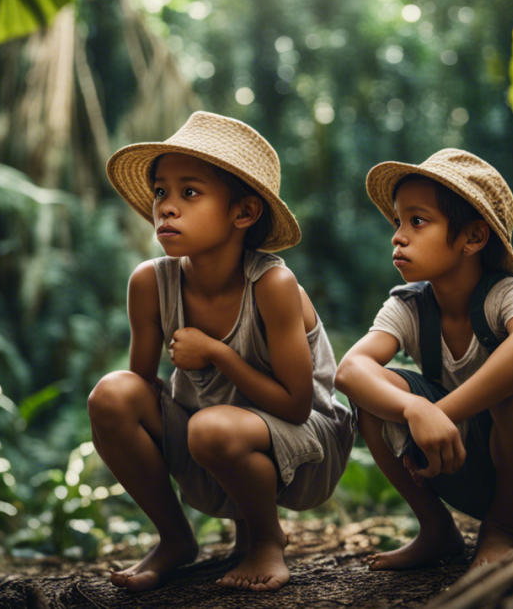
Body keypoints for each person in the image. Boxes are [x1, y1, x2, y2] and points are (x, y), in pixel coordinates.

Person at [89, 111, 355, 592]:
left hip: (307, 447)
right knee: (112, 394)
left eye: (189, 192)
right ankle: (174, 538)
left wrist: (218, 353)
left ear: (244, 213)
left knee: (212, 428)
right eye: (161, 192)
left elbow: (297, 404)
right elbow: (141, 392)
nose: (167, 208)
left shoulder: (273, 284)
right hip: (206, 439)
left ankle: (267, 540)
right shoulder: (151, 283)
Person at [334, 148, 513, 572]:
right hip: (457, 461)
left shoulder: (509, 295)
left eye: (417, 221)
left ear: (473, 237)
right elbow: (350, 370)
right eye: (398, 221)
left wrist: (440, 413)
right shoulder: (409, 306)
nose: (398, 236)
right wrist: (414, 408)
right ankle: (437, 529)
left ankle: (505, 525)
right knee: (372, 395)